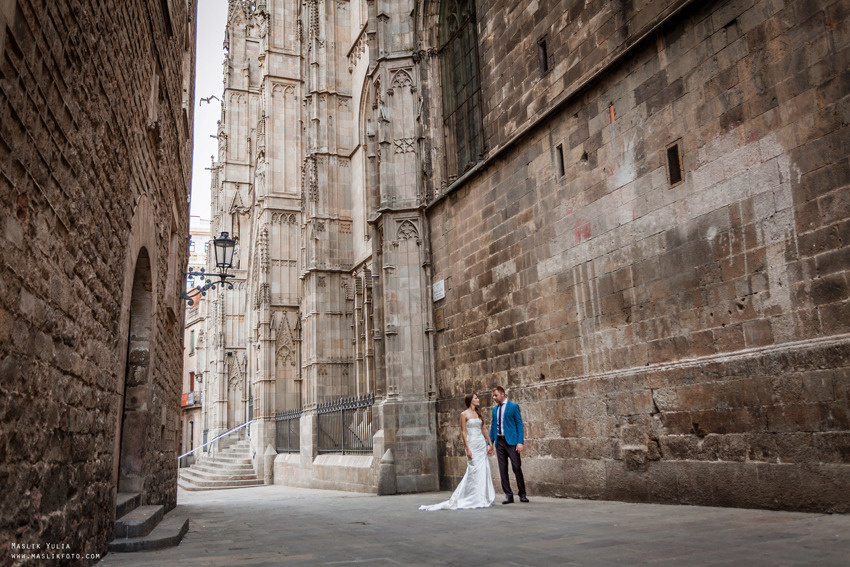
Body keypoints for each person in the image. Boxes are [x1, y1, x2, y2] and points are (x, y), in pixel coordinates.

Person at [419, 393, 495, 510]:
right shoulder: (463, 414)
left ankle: (482, 496)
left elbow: (484, 428)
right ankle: (470, 496)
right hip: (472, 444)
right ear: (470, 401)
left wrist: (489, 443)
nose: (478, 399)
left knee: (483, 469)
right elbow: (464, 432)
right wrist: (467, 448)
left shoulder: (479, 413)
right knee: (473, 470)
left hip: (481, 444)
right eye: (476, 398)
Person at [490, 386, 528, 504]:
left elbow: (519, 424)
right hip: (499, 442)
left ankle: (522, 494)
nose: (494, 397)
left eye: (495, 395)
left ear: (502, 394)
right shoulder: (495, 409)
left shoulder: (513, 406)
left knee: (516, 467)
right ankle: (508, 495)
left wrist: (520, 442)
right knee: (502, 469)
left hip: (511, 441)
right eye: (493, 395)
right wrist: (490, 443)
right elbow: (493, 427)